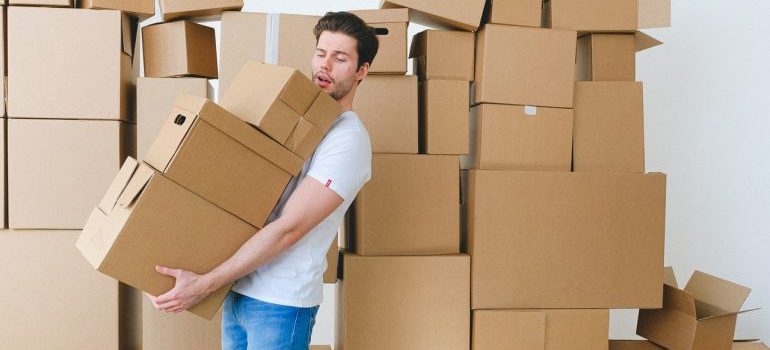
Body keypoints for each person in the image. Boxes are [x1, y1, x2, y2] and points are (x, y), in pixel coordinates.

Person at [147, 11, 378, 350]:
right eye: (320, 53)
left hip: (280, 302)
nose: (325, 66)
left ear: (361, 72)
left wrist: (205, 283)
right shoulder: (297, 122)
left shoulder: (349, 139)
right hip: (238, 289)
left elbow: (290, 228)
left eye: (340, 58)